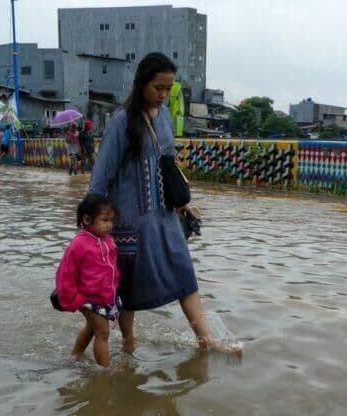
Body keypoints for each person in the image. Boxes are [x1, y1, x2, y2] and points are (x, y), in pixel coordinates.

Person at [88, 52, 241, 356]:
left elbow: (167, 164)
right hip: (129, 221)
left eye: (168, 89)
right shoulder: (121, 123)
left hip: (165, 216)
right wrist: (93, 228)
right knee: (129, 289)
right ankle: (128, 343)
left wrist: (183, 205)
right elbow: (100, 177)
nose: (163, 95)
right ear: (142, 83)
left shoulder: (165, 118)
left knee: (184, 275)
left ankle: (205, 341)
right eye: (158, 87)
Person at [54, 194, 120, 367]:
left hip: (104, 297)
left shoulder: (108, 241)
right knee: (103, 332)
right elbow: (64, 274)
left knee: (92, 329)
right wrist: (73, 300)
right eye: (105, 220)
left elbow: (112, 269)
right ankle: (105, 372)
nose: (109, 225)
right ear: (87, 219)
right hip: (88, 299)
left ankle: (75, 356)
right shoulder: (79, 244)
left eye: (111, 220)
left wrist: (115, 290)